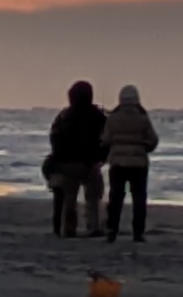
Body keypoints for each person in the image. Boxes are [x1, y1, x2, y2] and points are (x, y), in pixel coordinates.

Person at [44, 82, 109, 240]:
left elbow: (55, 138)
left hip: (68, 163)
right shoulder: (98, 115)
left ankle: (69, 228)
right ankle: (94, 226)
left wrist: (59, 158)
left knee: (69, 198)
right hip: (90, 162)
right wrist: (102, 157)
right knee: (93, 197)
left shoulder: (65, 115)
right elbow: (107, 139)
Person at [99, 84, 155, 245]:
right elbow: (153, 140)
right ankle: (138, 233)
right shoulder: (143, 118)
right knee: (139, 199)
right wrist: (144, 148)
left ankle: (112, 231)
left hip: (118, 163)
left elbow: (106, 140)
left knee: (116, 198)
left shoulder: (113, 119)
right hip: (139, 164)